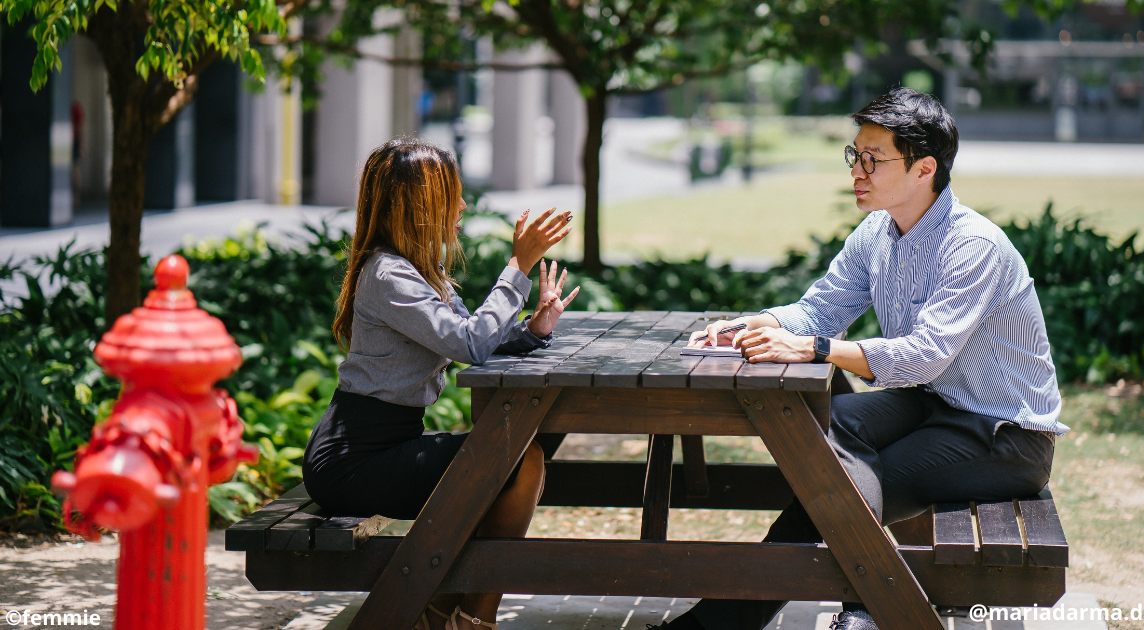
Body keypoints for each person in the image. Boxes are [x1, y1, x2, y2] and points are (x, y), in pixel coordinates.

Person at [657, 88, 1067, 630]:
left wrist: (817, 349)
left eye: (874, 159)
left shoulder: (973, 246)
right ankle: (853, 609)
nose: (859, 170)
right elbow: (821, 309)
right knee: (820, 430)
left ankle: (842, 614)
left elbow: (923, 357)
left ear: (924, 169)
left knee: (831, 486)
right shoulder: (878, 232)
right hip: (937, 404)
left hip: (1005, 435)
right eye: (856, 155)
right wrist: (754, 325)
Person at [301, 138, 579, 630]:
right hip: (353, 460)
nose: (463, 206)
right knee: (516, 460)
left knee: (512, 460)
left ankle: (445, 612)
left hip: (385, 443)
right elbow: (468, 344)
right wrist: (518, 267)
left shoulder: (419, 273)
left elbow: (477, 336)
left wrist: (534, 328)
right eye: (452, 194)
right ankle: (470, 620)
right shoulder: (388, 275)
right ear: (418, 204)